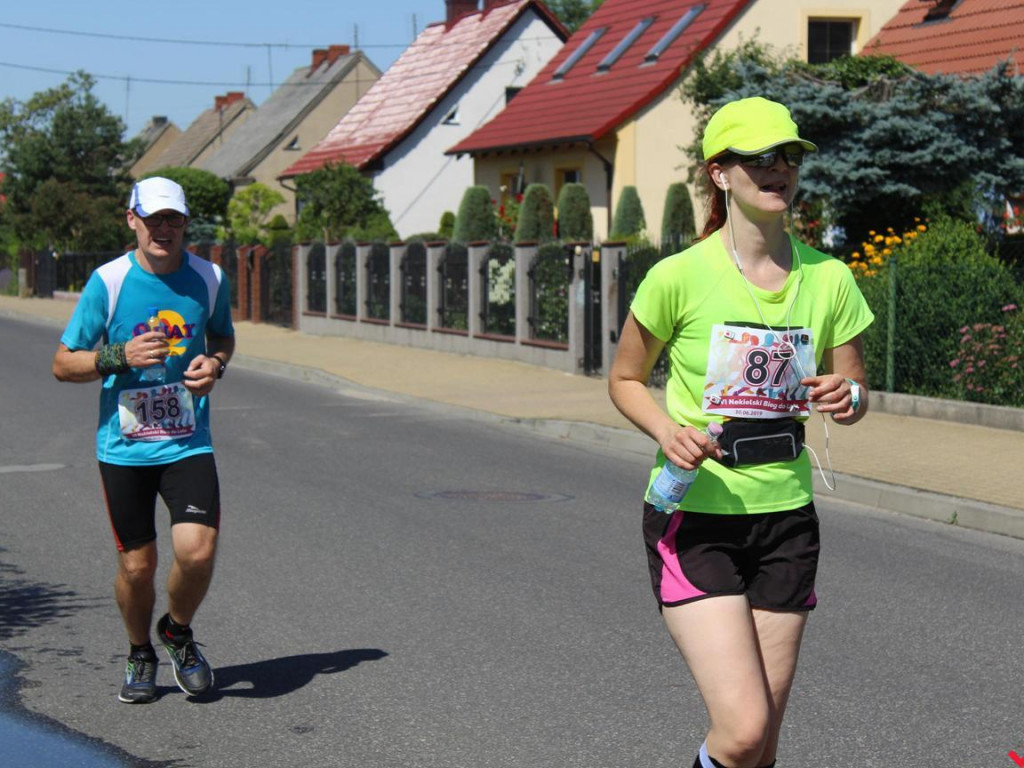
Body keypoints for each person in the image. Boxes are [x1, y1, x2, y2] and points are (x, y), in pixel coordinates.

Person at [608, 97, 873, 768]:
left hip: (786, 519)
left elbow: (859, 391)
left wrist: (850, 397)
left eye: (788, 157)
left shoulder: (830, 277)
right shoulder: (678, 277)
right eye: (759, 159)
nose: (778, 169)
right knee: (744, 730)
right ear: (721, 174)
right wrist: (667, 430)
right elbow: (625, 379)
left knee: (760, 749)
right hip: (697, 516)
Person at [52, 176, 235, 704]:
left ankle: (176, 632)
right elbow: (63, 363)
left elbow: (222, 334)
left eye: (173, 219)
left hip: (187, 441)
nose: (164, 229)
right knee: (138, 566)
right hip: (124, 447)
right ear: (131, 218)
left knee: (197, 553)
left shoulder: (210, 277)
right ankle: (139, 651)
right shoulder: (106, 282)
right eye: (153, 218)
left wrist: (215, 363)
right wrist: (118, 357)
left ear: (184, 224)